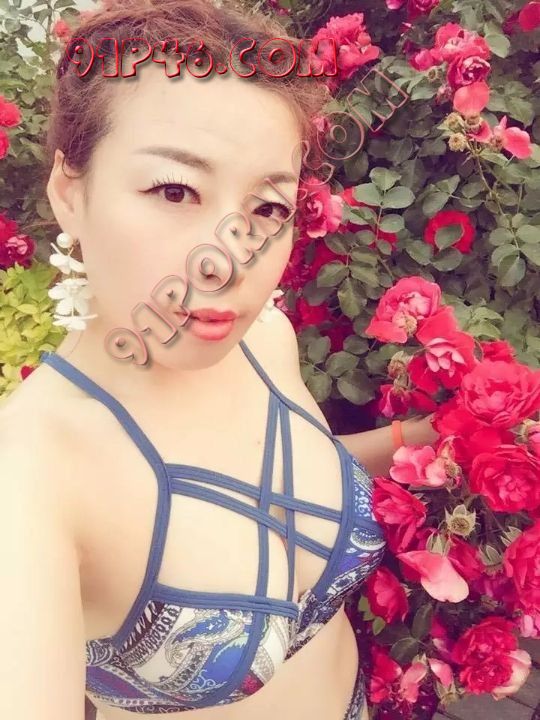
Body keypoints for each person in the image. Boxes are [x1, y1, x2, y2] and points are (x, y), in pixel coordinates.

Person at [0, 1, 439, 719]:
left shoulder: (264, 339)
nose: (227, 260)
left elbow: (280, 478)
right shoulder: (30, 476)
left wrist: (421, 439)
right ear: (69, 192)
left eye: (268, 208)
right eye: (174, 190)